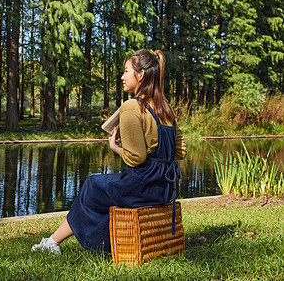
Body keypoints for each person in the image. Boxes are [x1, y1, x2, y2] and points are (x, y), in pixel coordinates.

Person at [31, 49, 187, 255]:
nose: (122, 77)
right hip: (164, 188)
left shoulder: (131, 107)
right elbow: (180, 152)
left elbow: (136, 158)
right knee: (99, 190)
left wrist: (117, 147)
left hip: (142, 185)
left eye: (126, 71)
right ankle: (54, 241)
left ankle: (53, 242)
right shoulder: (165, 109)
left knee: (91, 186)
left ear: (140, 75)